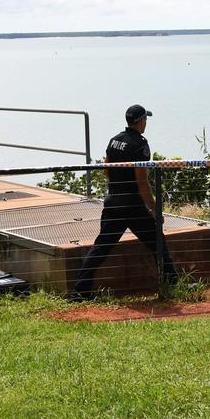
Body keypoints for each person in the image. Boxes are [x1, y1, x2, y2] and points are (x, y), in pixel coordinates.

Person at [70, 104, 178, 300]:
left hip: (113, 202)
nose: (146, 123)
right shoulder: (141, 145)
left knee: (101, 247)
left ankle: (80, 290)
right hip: (133, 205)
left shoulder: (114, 140)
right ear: (141, 121)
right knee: (158, 242)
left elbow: (106, 170)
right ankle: (171, 285)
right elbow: (142, 182)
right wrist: (154, 209)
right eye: (146, 119)